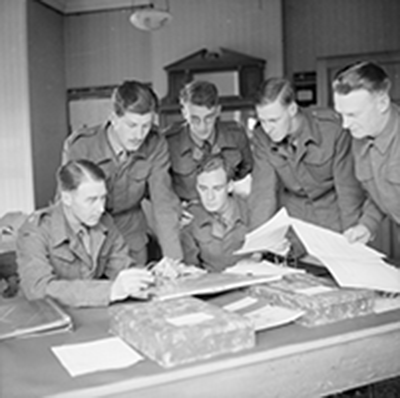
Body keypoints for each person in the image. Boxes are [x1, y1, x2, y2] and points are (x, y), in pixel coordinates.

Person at [62, 81, 182, 265]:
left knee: (138, 289)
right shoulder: (82, 146)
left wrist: (174, 261)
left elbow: (163, 204)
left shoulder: (156, 144)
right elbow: (68, 208)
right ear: (113, 118)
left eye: (146, 126)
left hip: (131, 236)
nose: (139, 135)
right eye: (131, 125)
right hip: (89, 236)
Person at [17, 160, 154, 307]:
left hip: (89, 312)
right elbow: (38, 289)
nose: (100, 208)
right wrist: (109, 291)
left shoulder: (104, 222)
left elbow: (122, 267)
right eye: (91, 200)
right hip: (48, 318)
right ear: (67, 198)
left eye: (103, 198)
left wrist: (153, 275)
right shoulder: (35, 231)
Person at [248, 77, 365, 233]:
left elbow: (348, 190)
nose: (268, 128)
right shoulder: (261, 137)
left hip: (333, 215)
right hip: (294, 219)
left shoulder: (332, 130)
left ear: (292, 109)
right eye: (262, 121)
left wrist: (352, 235)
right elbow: (263, 192)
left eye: (273, 120)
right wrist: (258, 243)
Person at [332, 61, 400, 244]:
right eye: (341, 115)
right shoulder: (361, 137)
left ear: (383, 103)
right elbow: (380, 191)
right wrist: (367, 225)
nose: (345, 125)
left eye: (353, 115)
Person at [164, 80, 253, 203]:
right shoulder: (169, 143)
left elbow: (247, 175)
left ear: (218, 111)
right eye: (195, 119)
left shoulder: (236, 136)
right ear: (184, 113)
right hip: (189, 214)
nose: (202, 127)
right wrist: (175, 208)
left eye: (208, 118)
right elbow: (159, 190)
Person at [180, 154, 250, 272]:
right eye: (203, 188)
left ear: (230, 186)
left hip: (251, 283)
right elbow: (191, 270)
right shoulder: (191, 218)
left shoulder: (251, 210)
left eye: (217, 188)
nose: (210, 197)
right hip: (211, 285)